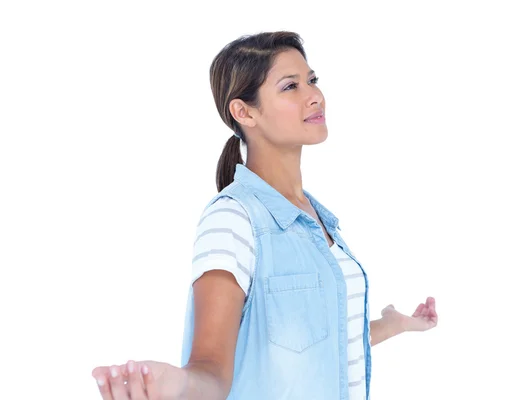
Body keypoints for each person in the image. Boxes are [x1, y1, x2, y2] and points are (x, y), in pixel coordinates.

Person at [91, 30, 438, 400]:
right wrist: (176, 385)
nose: (314, 95)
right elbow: (210, 370)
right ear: (244, 111)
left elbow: (312, 337)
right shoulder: (233, 220)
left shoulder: (317, 218)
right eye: (290, 87)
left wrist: (392, 324)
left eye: (312, 80)